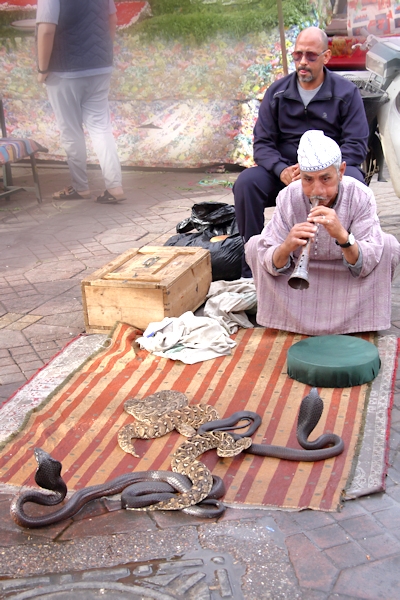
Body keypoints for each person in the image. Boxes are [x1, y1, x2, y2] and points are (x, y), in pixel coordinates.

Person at [234, 26, 369, 277]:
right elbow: (262, 143)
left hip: (329, 170)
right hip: (289, 169)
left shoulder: (346, 93)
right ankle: (253, 265)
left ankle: (353, 254)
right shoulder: (277, 93)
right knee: (247, 183)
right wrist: (281, 169)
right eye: (297, 55)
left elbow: (356, 144)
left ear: (326, 57)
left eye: (311, 56)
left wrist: (324, 171)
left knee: (355, 181)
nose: (302, 62)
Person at [245, 130, 400, 336]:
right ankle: (290, 321)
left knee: (389, 245)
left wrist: (343, 237)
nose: (317, 190)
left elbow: (370, 258)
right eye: (308, 180)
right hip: (300, 284)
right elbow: (268, 256)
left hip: (346, 280)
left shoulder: (360, 195)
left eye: (326, 179)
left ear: (341, 171)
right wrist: (287, 246)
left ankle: (359, 323)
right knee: (255, 245)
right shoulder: (288, 197)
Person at [36, 0, 125, 204]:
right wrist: (103, 52)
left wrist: (42, 69)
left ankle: (80, 187)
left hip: (64, 69)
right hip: (100, 67)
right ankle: (115, 186)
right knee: (101, 129)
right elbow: (112, 18)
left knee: (70, 130)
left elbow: (47, 30)